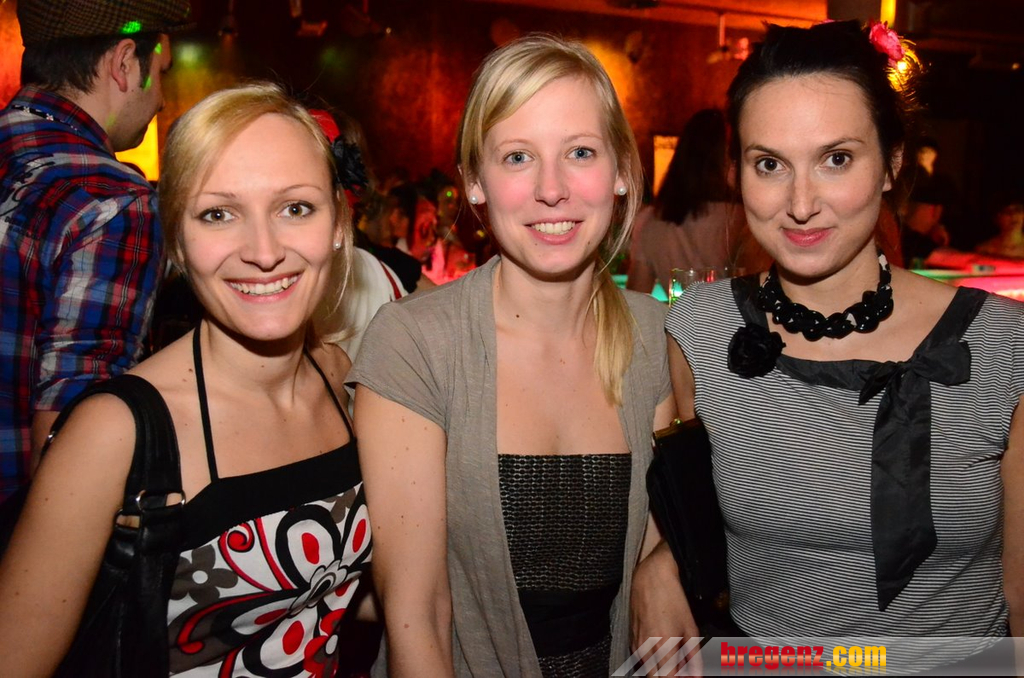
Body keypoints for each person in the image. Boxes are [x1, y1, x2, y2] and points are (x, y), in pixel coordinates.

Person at [662, 20, 1022, 672]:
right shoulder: (698, 333)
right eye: (770, 164)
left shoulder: (1003, 343)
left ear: (892, 163)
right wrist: (653, 563)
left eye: (836, 159)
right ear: (736, 173)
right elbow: (676, 514)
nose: (801, 203)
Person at [0, 83, 371, 675]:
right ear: (176, 237)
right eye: (218, 214)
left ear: (338, 223)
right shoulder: (113, 432)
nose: (263, 251)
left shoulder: (339, 378)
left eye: (295, 208)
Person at [349, 33, 682, 677]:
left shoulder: (651, 335)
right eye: (518, 157)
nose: (551, 190)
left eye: (579, 152)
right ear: (476, 183)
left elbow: (668, 533)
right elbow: (418, 615)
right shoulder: (416, 344)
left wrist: (661, 566)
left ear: (620, 171)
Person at [0, 0, 187, 503]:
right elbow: (68, 444)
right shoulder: (112, 200)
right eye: (161, 73)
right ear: (125, 63)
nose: (161, 99)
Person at [626, 109, 752, 294]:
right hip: (732, 312)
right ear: (725, 157)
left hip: (680, 312)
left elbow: (637, 295)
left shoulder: (651, 221)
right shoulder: (741, 220)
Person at [975, 192, 1024, 260]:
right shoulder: (985, 250)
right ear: (996, 218)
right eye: (1006, 211)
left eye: (1018, 210)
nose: (1013, 215)